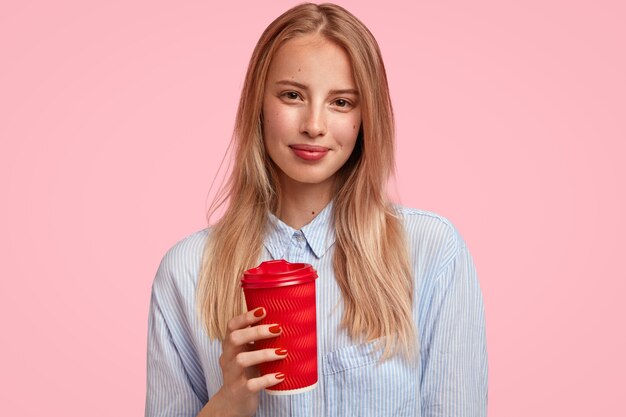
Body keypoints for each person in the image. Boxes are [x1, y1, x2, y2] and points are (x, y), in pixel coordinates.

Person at [145, 3, 487, 417]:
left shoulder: (431, 252)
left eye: (341, 102)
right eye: (292, 95)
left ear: (366, 118)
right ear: (258, 103)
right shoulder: (187, 271)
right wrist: (230, 402)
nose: (314, 124)